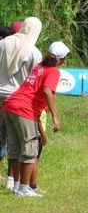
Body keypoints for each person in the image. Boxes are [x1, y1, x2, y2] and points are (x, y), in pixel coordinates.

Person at [2, 41, 67, 197]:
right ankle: (24, 189)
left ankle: (16, 186)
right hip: (23, 109)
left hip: (9, 105)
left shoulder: (39, 66)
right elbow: (46, 91)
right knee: (30, 149)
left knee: (16, 148)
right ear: (62, 59)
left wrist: (42, 132)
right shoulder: (54, 71)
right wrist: (56, 117)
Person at [0, 17, 42, 191]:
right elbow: (35, 82)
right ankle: (16, 182)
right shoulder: (33, 52)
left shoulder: (3, 44)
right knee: (19, 142)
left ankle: (13, 182)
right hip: (19, 101)